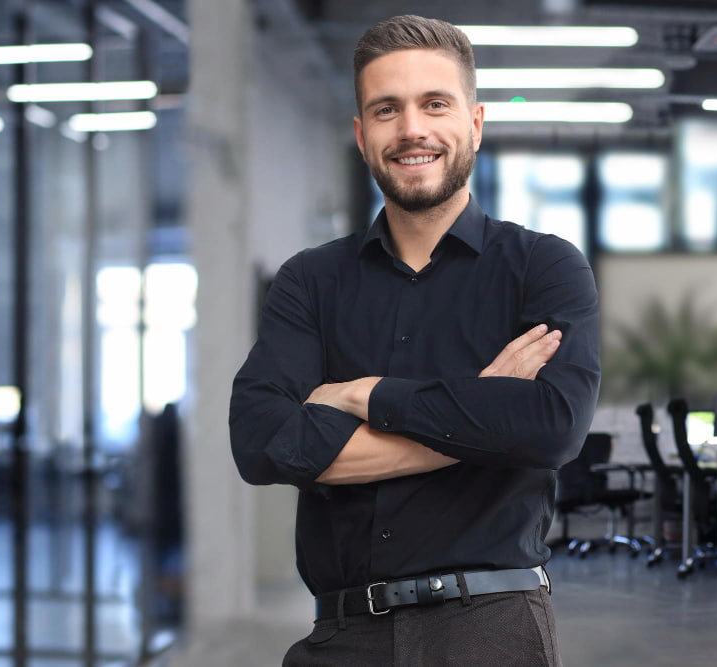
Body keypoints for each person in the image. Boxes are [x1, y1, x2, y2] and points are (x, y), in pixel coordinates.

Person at [230, 14, 600, 666]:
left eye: (435, 103)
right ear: (361, 134)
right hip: (343, 635)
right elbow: (261, 442)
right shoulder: (309, 282)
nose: (411, 130)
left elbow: (551, 426)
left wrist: (365, 394)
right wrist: (483, 416)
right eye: (386, 109)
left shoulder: (543, 268)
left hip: (492, 625)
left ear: (476, 123)